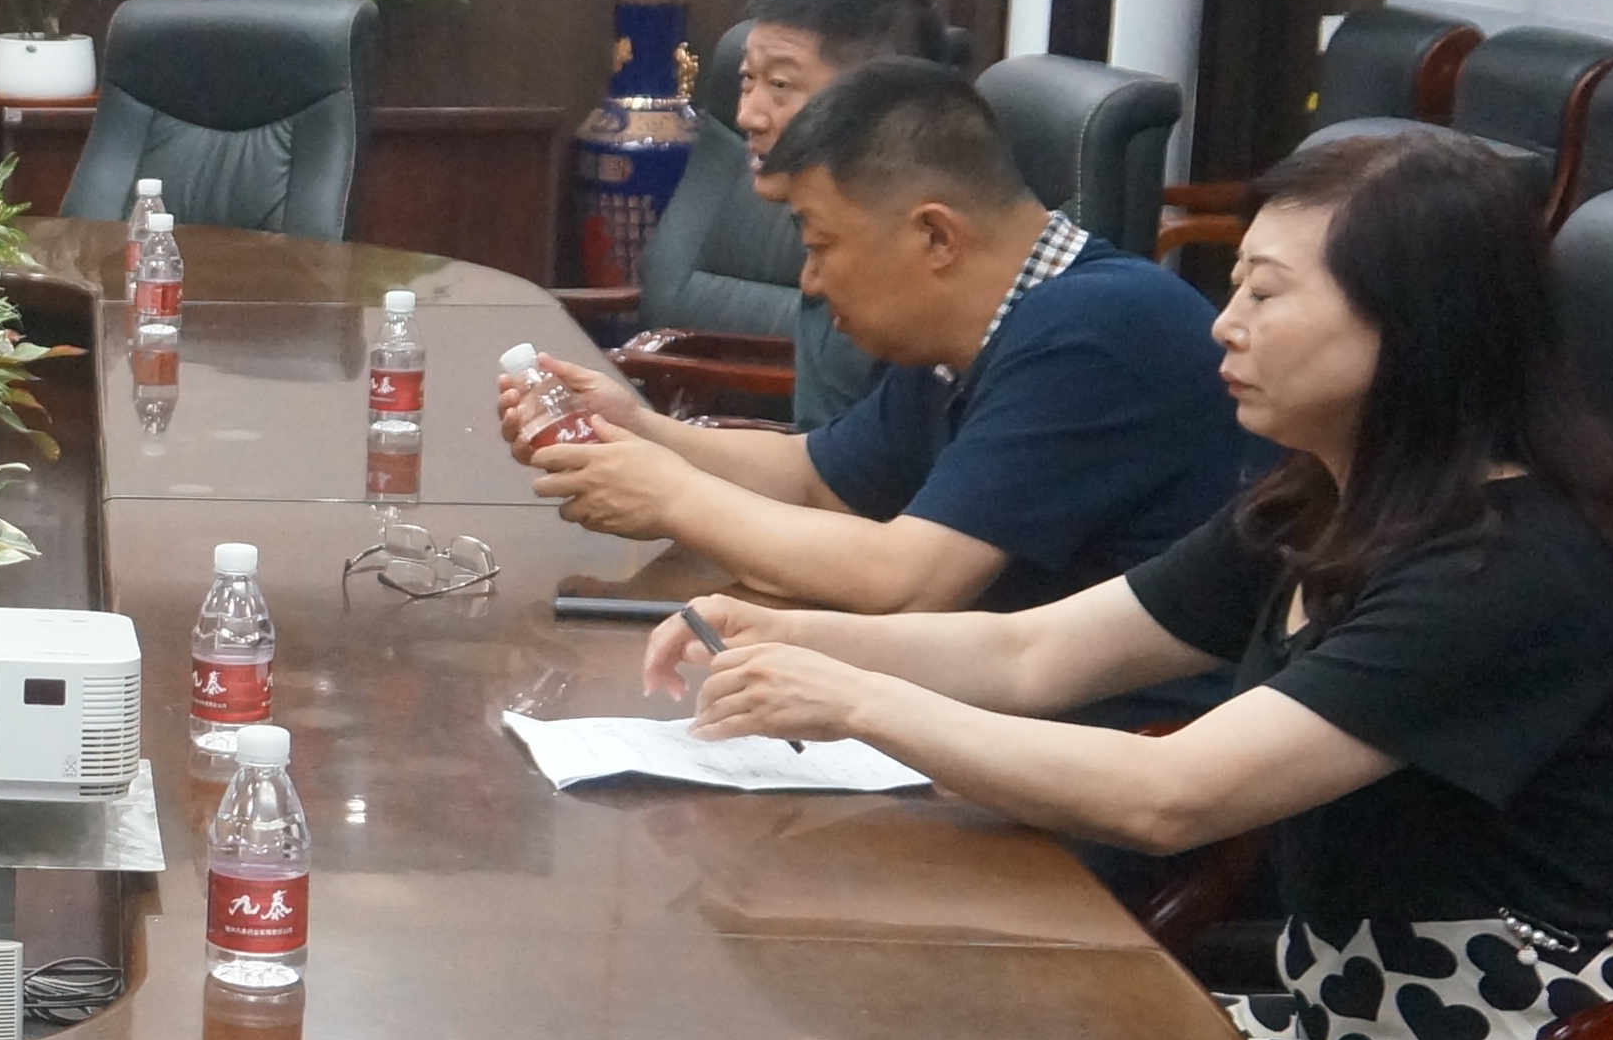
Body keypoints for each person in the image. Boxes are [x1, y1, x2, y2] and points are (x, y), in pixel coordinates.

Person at [652, 126, 1613, 1040]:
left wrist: (853, 701)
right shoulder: (1325, 504)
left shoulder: (1503, 571)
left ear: (1413, 330)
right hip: (1350, 1025)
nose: (1225, 323)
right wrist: (788, 631)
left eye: (1269, 292)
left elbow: (1174, 795)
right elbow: (1036, 652)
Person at [514, 58, 1266, 621]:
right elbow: (817, 479)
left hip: (1120, 739)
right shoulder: (975, 324)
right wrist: (641, 430)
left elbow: (908, 581)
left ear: (935, 235)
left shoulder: (1096, 329)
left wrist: (673, 496)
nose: (809, 282)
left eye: (820, 244)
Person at [656, 0, 948, 426]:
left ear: (880, 102)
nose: (747, 116)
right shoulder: (822, 227)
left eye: (780, 85)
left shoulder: (916, 267)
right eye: (747, 79)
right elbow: (826, 454)